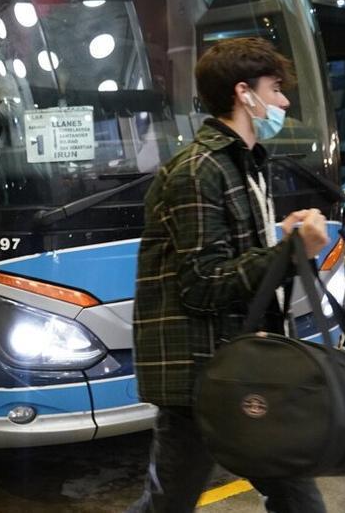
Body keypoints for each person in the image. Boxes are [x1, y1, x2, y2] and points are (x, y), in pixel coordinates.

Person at [130, 37, 331, 513]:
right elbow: (204, 284)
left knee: (294, 495)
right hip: (202, 371)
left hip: (237, 362)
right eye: (276, 89)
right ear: (245, 93)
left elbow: (230, 259)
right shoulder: (199, 170)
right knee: (169, 503)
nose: (283, 102)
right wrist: (287, 250)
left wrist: (278, 238)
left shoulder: (241, 163)